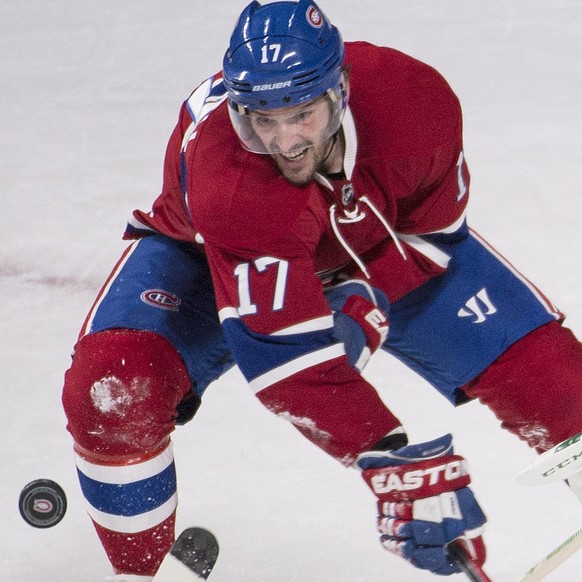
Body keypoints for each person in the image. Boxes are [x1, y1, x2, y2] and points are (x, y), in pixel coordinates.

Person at [61, 1, 582, 580]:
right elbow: (285, 359)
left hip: (377, 241)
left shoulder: (414, 102)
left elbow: (434, 231)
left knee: (561, 386)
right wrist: (389, 461)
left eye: (301, 114)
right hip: (211, 255)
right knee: (114, 386)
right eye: (262, 119)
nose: (284, 141)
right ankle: (141, 573)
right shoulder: (231, 182)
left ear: (340, 90)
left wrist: (368, 292)